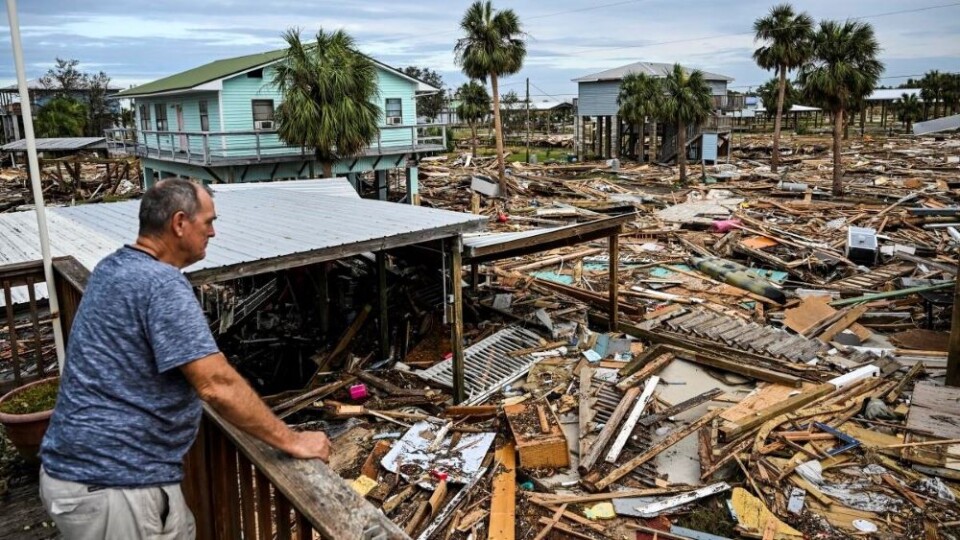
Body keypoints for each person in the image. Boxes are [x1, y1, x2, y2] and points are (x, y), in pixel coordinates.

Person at [39, 179, 330, 539]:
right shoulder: (161, 284)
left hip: (89, 475)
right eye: (208, 222)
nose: (214, 232)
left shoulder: (112, 267)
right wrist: (292, 440)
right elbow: (215, 384)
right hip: (114, 482)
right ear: (179, 223)